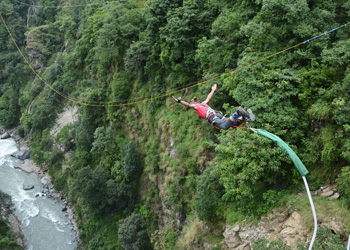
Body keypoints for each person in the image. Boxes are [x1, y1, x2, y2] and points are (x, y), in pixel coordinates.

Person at [172, 84, 254, 130]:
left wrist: (179, 101)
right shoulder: (203, 103)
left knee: (225, 127)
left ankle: (237, 113)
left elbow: (188, 105)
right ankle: (244, 117)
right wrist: (213, 90)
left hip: (213, 118)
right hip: (218, 115)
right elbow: (208, 97)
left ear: (193, 103)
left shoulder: (195, 106)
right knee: (233, 123)